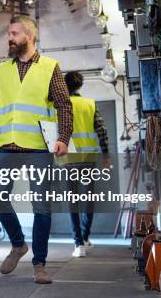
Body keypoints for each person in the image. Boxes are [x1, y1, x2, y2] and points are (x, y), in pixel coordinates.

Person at [0, 16, 73, 284]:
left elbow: (64, 105)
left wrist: (63, 137)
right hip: (7, 145)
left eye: (14, 33)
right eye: (8, 33)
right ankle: (19, 244)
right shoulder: (1, 70)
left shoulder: (49, 67)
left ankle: (40, 264)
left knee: (41, 205)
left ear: (29, 37)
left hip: (37, 147)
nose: (9, 38)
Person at [63, 72, 110, 258]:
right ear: (80, 86)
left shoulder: (62, 105)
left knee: (72, 201)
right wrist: (106, 155)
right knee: (88, 199)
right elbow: (102, 130)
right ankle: (86, 237)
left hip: (68, 160)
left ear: (65, 86)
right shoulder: (90, 104)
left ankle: (78, 243)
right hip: (89, 159)